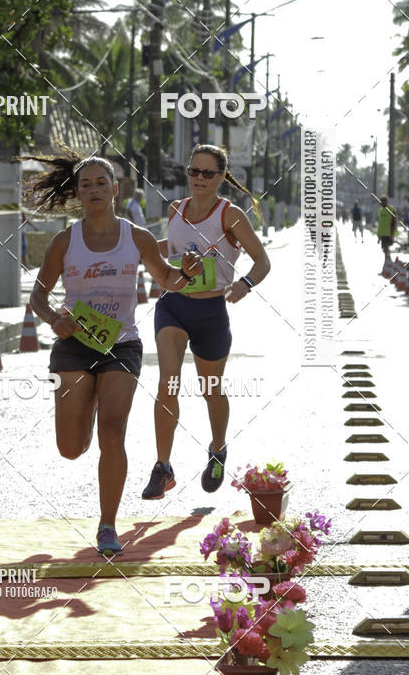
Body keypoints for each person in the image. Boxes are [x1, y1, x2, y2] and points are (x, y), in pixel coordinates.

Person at [26, 149, 203, 556]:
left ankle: (108, 525)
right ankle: (82, 411)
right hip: (73, 344)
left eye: (100, 183)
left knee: (113, 432)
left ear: (115, 189)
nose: (93, 190)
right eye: (85, 184)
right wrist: (54, 318)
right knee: (70, 448)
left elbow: (168, 280)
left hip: (120, 345)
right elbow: (38, 295)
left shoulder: (136, 238)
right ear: (77, 193)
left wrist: (187, 273)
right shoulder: (64, 241)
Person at [141, 144, 271, 500]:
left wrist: (245, 284)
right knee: (168, 381)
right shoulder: (175, 209)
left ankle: (217, 448)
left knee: (211, 388)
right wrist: (143, 248)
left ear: (221, 177)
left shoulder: (231, 216)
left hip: (212, 312)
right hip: (173, 304)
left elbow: (261, 260)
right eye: (193, 171)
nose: (199, 179)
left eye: (207, 173)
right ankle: (163, 466)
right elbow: (173, 245)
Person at [376, 195, 397, 260]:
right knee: (385, 249)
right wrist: (379, 236)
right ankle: (388, 262)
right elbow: (380, 224)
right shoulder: (380, 211)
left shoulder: (391, 209)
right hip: (382, 234)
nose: (382, 202)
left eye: (384, 201)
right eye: (381, 201)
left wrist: (392, 234)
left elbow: (394, 222)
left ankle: (388, 262)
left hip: (389, 233)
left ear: (387, 201)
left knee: (386, 248)